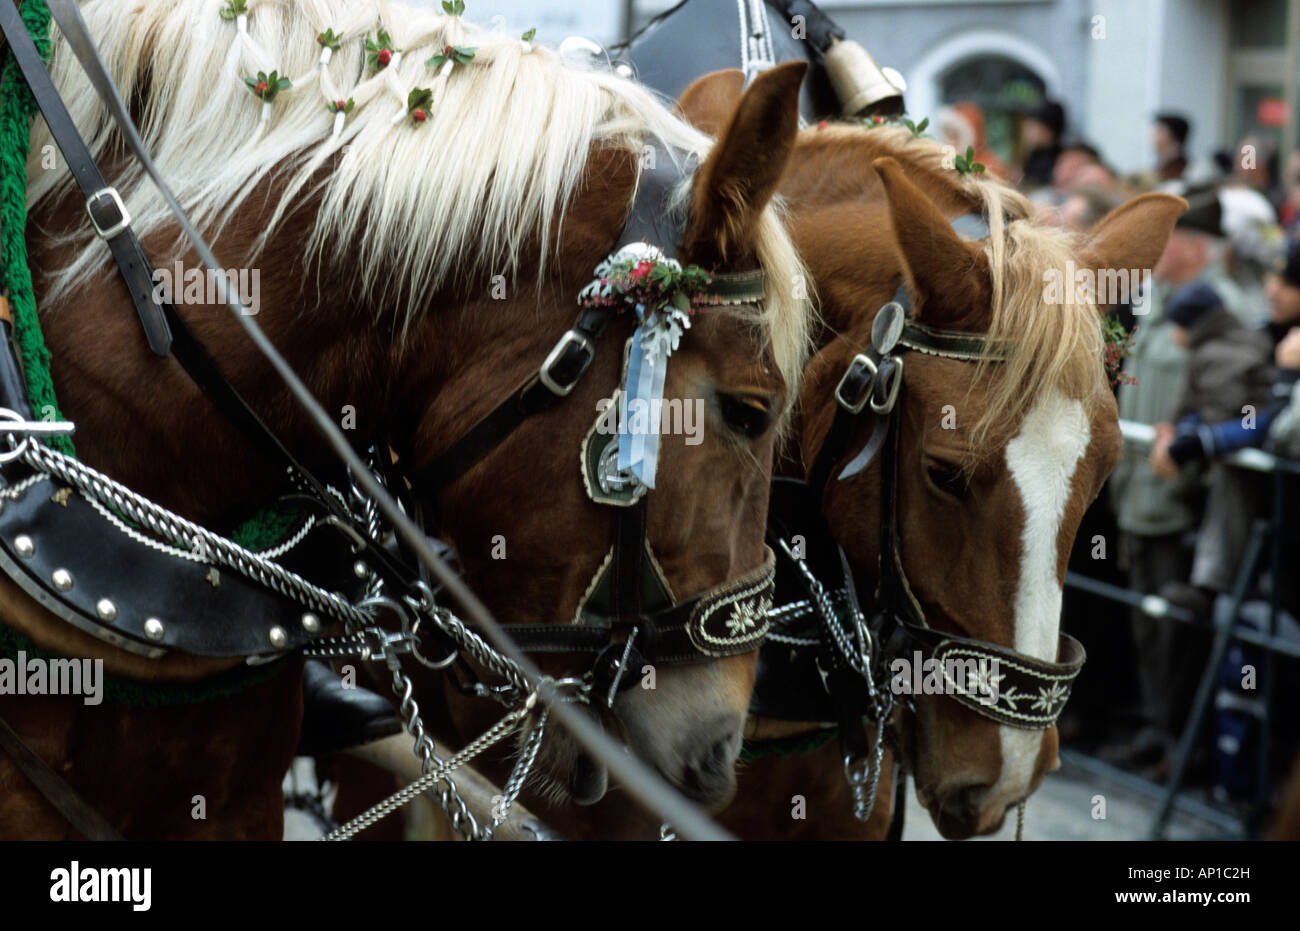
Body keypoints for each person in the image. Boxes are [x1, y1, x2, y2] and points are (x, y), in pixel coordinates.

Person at [1106, 186, 1249, 777]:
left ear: (1192, 248)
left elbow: (1227, 398)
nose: (1154, 253)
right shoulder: (1161, 300)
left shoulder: (1221, 309)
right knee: (1145, 623)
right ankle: (1155, 728)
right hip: (1138, 491)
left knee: (1175, 629)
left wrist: (1189, 455)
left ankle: (1178, 748)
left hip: (1177, 498)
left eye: (1165, 242)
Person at [1019, 99, 1064, 189]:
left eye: (1032, 127)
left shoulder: (1056, 163)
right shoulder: (1035, 155)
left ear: (1048, 131)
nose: (1026, 131)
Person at [1153, 112, 1190, 182]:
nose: (1154, 138)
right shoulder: (1162, 166)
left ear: (1174, 137)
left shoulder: (1185, 171)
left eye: (1159, 132)